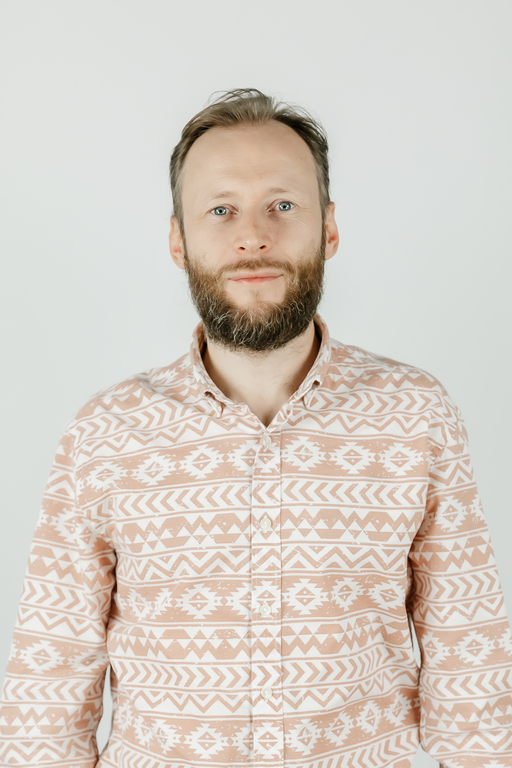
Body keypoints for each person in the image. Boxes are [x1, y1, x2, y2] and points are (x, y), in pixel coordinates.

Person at [0, 87, 511, 768]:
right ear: (178, 240)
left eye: (283, 205)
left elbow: (467, 656)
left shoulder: (416, 414)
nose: (253, 236)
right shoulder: (105, 433)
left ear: (329, 228)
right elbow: (49, 679)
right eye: (221, 210)